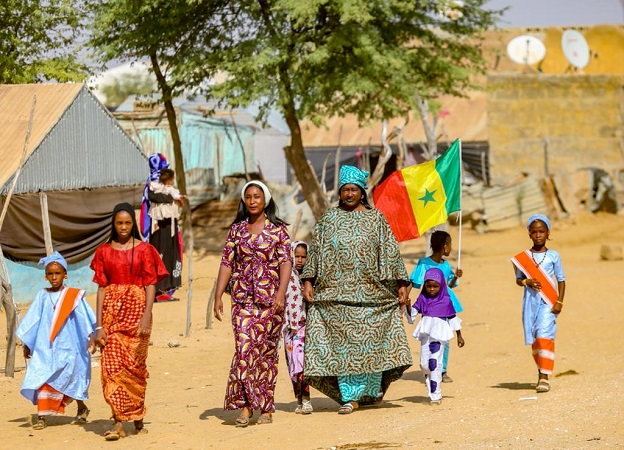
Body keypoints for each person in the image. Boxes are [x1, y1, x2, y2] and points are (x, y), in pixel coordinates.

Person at [302, 165, 413, 415]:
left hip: (373, 296)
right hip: (334, 297)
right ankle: (350, 397)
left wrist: (401, 284)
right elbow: (316, 251)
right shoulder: (328, 219)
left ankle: (369, 392)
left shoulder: (376, 219)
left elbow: (391, 252)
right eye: (345, 190)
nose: (350, 194)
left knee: (370, 344)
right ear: (339, 193)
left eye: (354, 190)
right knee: (344, 347)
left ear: (362, 192)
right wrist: (308, 280)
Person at [213, 180, 292, 427]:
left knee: (266, 353)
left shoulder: (279, 231)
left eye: (257, 196)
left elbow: (286, 263)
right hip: (243, 299)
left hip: (272, 301)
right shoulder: (236, 230)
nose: (253, 201)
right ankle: (247, 405)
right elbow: (227, 262)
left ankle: (266, 407)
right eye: (248, 197)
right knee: (245, 350)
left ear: (265, 199)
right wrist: (218, 295)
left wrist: (281, 293)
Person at [91, 202, 168, 440]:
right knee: (111, 368)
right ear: (113, 225)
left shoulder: (145, 249)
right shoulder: (103, 251)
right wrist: (99, 324)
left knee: (135, 368)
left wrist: (146, 315)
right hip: (112, 315)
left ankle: (137, 415)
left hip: (137, 314)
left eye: (127, 223)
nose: (123, 227)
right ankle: (118, 422)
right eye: (119, 223)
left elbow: (151, 284)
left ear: (133, 224)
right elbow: (102, 288)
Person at [16, 251, 96, 430]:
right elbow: (32, 321)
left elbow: (85, 318)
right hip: (46, 347)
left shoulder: (73, 296)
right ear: (45, 277)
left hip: (70, 346)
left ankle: (82, 408)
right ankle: (42, 416)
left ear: (65, 274)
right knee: (44, 375)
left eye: (57, 273)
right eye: (50, 274)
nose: (54, 277)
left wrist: (91, 339)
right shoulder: (42, 296)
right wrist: (27, 344)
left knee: (71, 377)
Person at [511, 214, 566, 393]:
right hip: (530, 303)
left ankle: (544, 377)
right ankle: (541, 370)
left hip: (548, 302)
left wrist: (559, 301)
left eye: (542, 231)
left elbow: (561, 280)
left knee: (544, 335)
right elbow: (519, 280)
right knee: (536, 338)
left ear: (548, 232)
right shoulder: (523, 258)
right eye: (534, 232)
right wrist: (527, 282)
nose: (538, 235)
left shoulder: (553, 256)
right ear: (529, 234)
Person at [409, 230, 464, 383]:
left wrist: (456, 277)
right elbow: (414, 281)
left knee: (444, 337)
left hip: (445, 305)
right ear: (445, 246)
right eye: (450, 245)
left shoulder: (446, 265)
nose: (451, 248)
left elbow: (450, 285)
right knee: (428, 336)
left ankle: (442, 370)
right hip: (429, 306)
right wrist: (405, 296)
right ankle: (428, 366)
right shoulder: (424, 263)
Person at [408, 267, 464, 405]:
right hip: (426, 335)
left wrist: (459, 335)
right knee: (424, 364)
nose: (432, 289)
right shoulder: (422, 299)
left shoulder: (446, 300)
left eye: (435, 286)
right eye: (428, 286)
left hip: (439, 336)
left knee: (435, 363)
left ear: (441, 285)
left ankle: (435, 395)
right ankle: (429, 377)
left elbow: (452, 318)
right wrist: (408, 306)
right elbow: (411, 317)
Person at [141, 153, 184, 302]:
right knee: (160, 255)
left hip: (170, 224)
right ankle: (158, 291)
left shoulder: (166, 184)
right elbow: (154, 198)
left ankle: (167, 290)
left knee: (171, 255)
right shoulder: (153, 183)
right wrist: (170, 198)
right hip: (159, 226)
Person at [283, 241, 312, 414]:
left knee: (302, 363)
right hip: (288, 329)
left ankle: (307, 399)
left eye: (303, 257)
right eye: (297, 256)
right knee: (292, 366)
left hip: (303, 327)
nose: (300, 260)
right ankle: (299, 399)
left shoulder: (309, 277)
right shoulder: (285, 276)